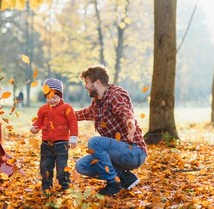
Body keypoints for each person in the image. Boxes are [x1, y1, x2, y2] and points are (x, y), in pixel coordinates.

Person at [74, 65, 147, 196]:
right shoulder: (98, 102)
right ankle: (124, 177)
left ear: (97, 82)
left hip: (133, 152)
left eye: (87, 82)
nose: (85, 86)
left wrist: (130, 121)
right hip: (118, 154)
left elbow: (124, 110)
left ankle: (113, 184)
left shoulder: (115, 95)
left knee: (94, 142)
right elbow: (85, 113)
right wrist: (64, 116)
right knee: (81, 165)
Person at [30, 78, 78, 193]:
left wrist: (73, 138)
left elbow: (73, 123)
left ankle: (64, 184)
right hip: (46, 143)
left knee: (62, 166)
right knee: (45, 165)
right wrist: (34, 128)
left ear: (60, 96)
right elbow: (39, 122)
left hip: (62, 143)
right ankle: (46, 185)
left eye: (54, 97)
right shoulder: (43, 109)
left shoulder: (67, 108)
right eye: (48, 98)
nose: (51, 100)